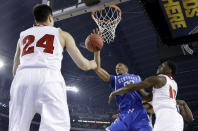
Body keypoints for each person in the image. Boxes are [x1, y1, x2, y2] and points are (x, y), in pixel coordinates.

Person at [9, 4, 97, 131]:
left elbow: (15, 70)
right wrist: (93, 63)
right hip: (48, 79)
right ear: (50, 18)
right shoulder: (62, 34)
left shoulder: (22, 35)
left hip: (22, 79)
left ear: (35, 20)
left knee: (17, 127)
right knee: (56, 127)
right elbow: (83, 64)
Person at [108, 60, 187, 131]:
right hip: (175, 119)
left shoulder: (159, 80)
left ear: (169, 70)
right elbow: (147, 97)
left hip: (167, 119)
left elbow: (131, 89)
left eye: (162, 65)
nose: (159, 66)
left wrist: (115, 93)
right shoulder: (172, 84)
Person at [94, 50, 152, 131]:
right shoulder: (114, 79)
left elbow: (142, 95)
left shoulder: (138, 77)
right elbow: (97, 69)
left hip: (139, 113)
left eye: (119, 66)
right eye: (116, 68)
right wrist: (97, 51)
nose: (117, 68)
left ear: (126, 69)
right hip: (124, 114)